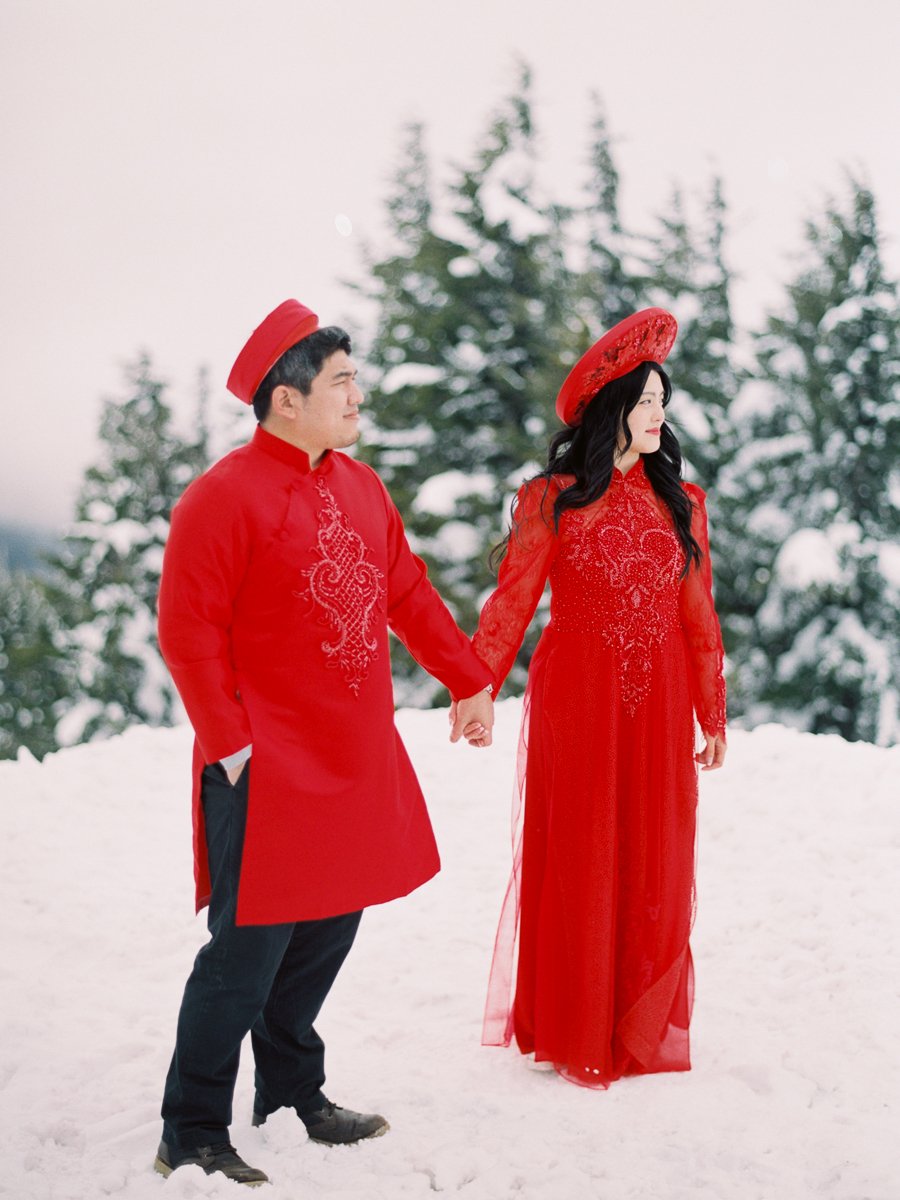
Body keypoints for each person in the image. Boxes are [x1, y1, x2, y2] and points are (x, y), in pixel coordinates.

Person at [154, 299, 494, 1185]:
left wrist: (466, 678)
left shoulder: (361, 486)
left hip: (350, 761)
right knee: (242, 959)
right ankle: (191, 1125)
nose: (357, 394)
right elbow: (186, 634)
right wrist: (231, 747)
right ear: (285, 399)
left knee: (326, 936)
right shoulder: (220, 498)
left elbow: (407, 593)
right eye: (341, 380)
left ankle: (292, 1095)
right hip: (263, 766)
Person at [468, 307, 727, 1089]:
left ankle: (631, 1020)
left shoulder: (682, 501)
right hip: (576, 699)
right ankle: (575, 1020)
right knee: (583, 848)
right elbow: (511, 602)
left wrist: (711, 713)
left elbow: (699, 616)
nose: (658, 415)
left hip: (658, 701)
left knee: (653, 850)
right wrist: (474, 685)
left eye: (662, 403)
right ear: (612, 409)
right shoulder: (551, 499)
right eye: (645, 401)